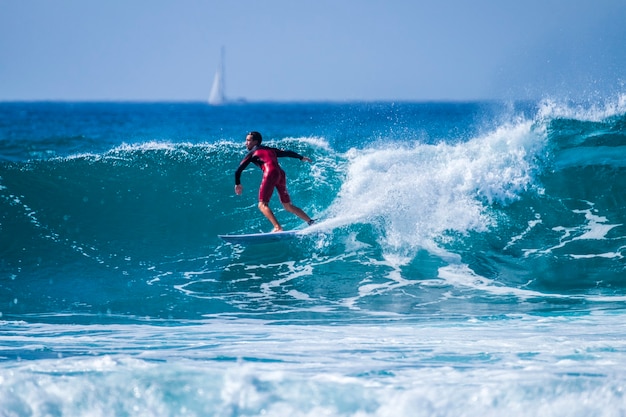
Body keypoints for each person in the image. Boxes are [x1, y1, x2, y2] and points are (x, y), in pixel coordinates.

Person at [234, 131, 315, 232]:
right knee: (288, 205)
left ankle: (278, 227)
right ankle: (310, 221)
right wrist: (301, 157)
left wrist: (237, 184)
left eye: (248, 140)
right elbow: (287, 152)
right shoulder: (270, 149)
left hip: (270, 173)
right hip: (280, 174)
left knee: (262, 205)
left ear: (256, 142)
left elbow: (238, 170)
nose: (246, 143)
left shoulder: (252, 153)